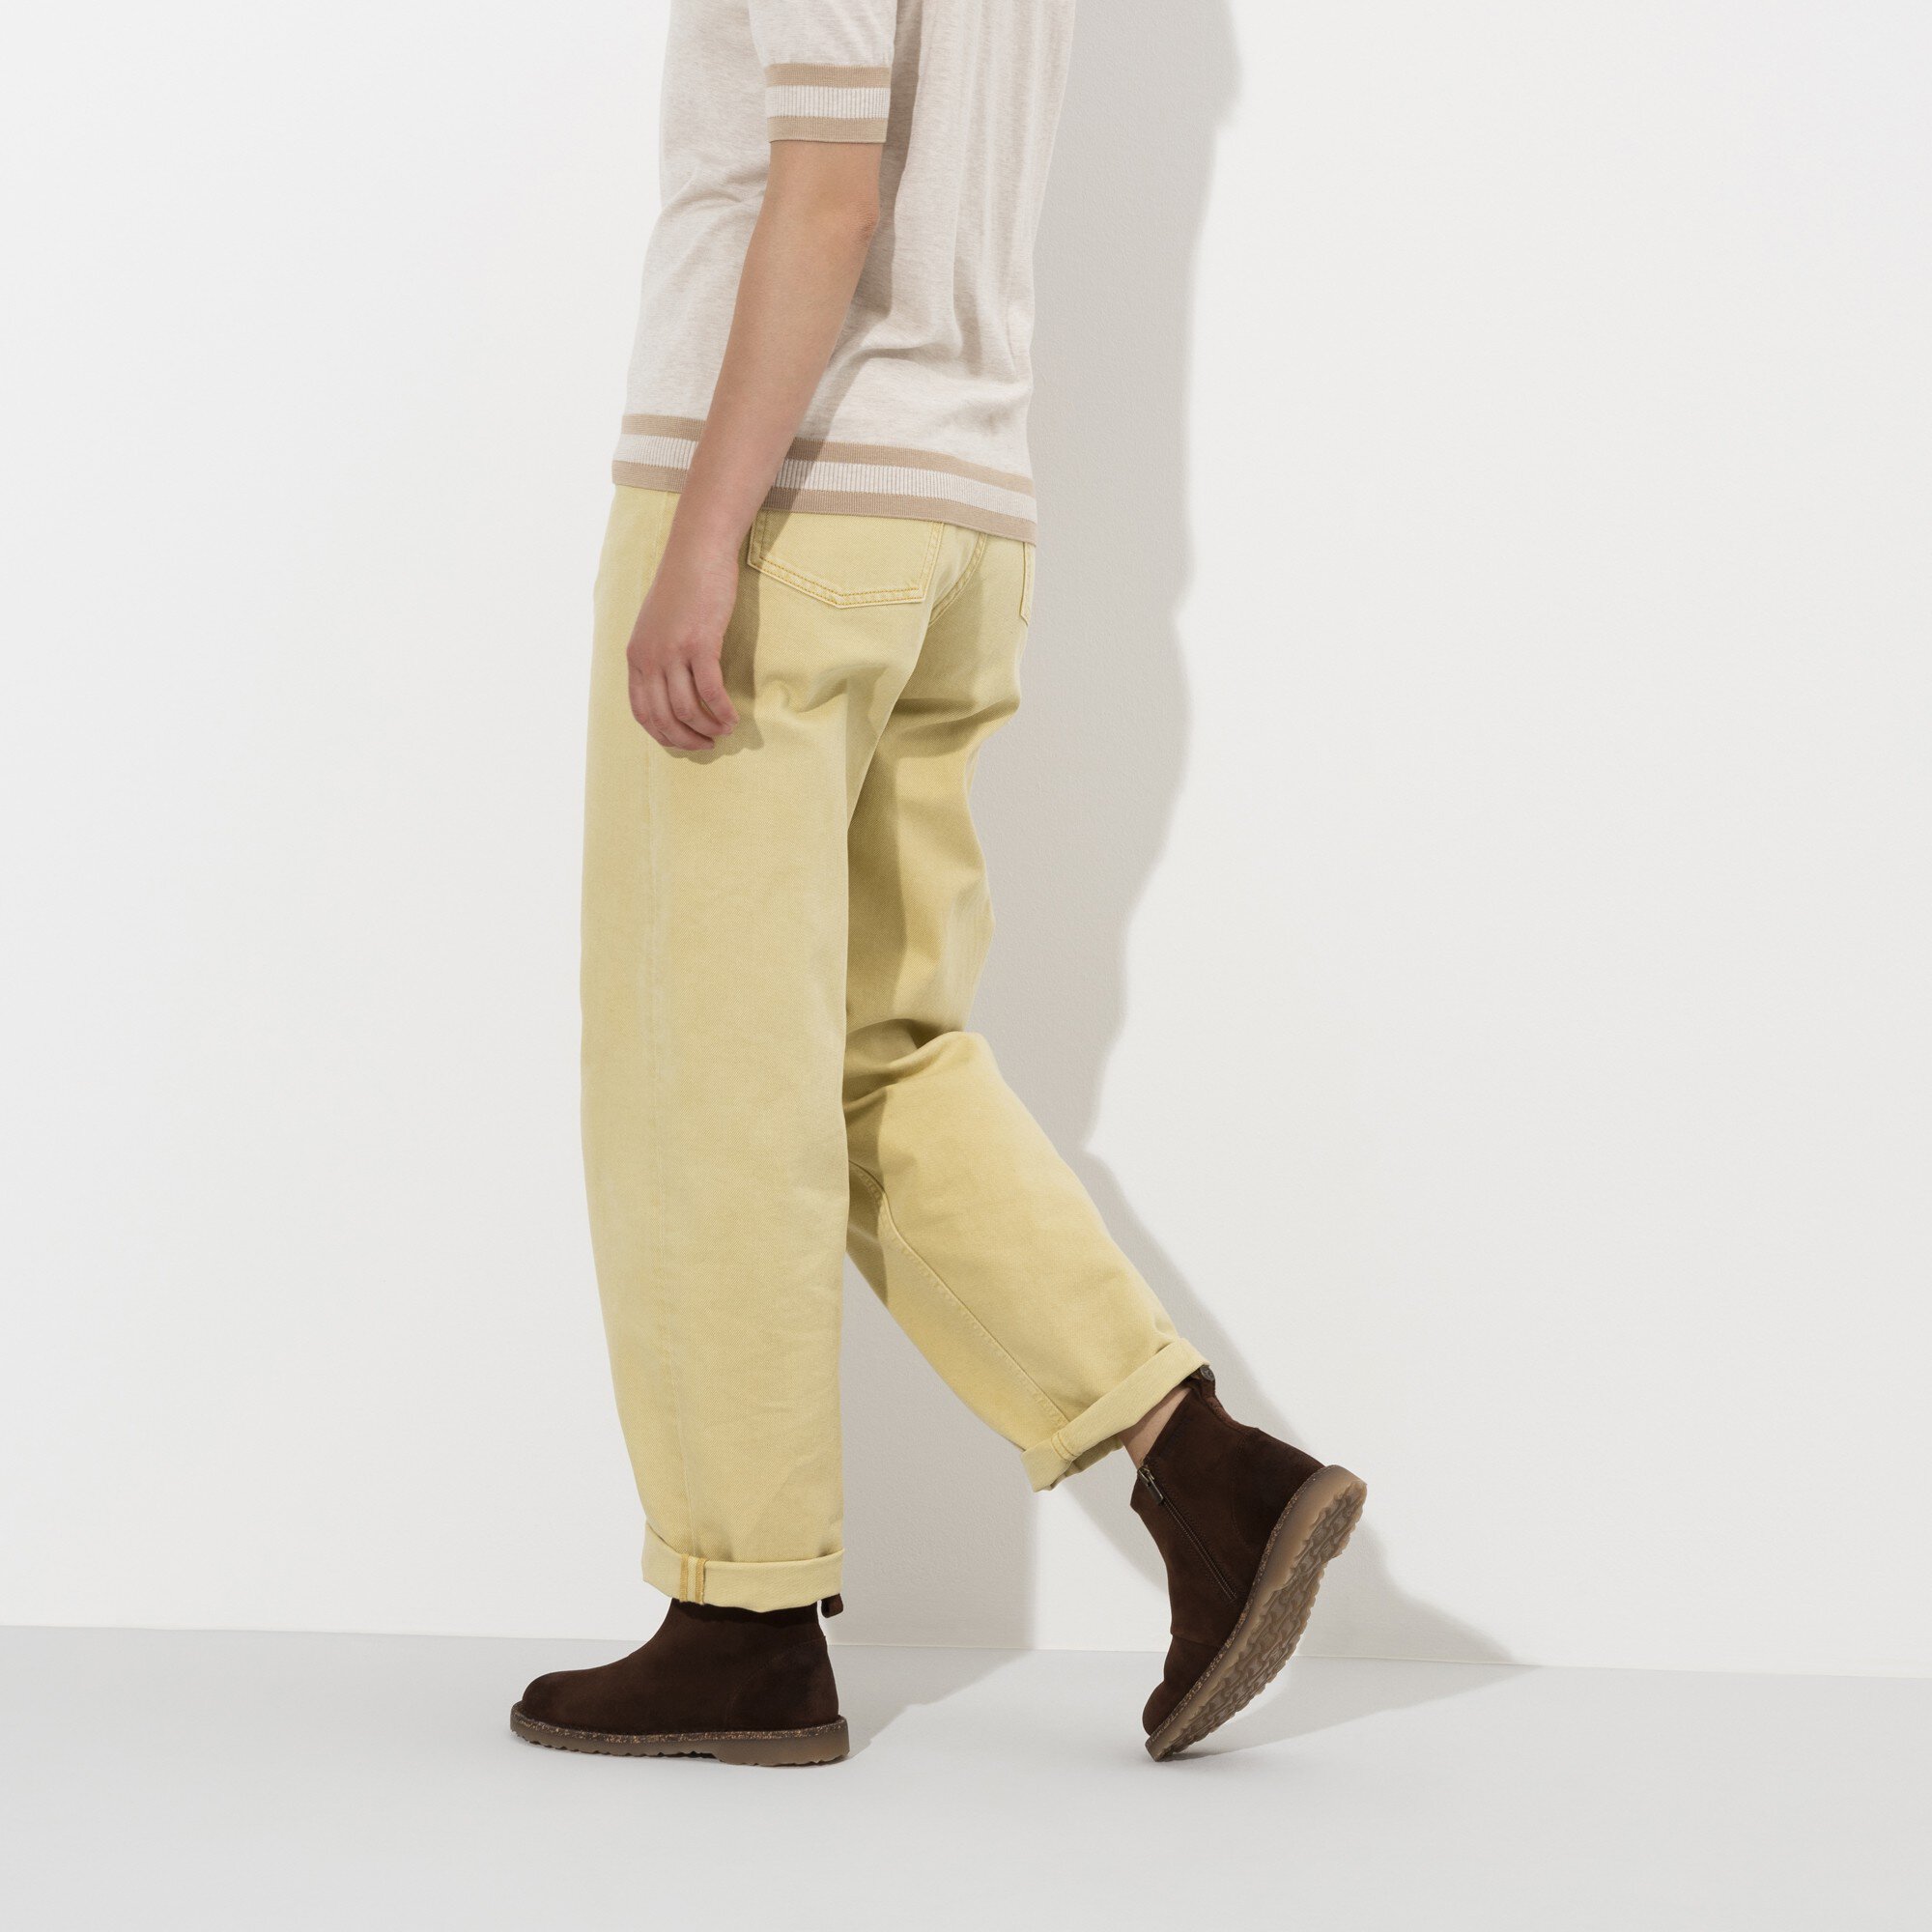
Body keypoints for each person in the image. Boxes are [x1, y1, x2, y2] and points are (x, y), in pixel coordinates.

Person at [511, 0, 1364, 1767]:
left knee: (706, 1079)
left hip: (785, 513)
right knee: (876, 1053)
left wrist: (703, 540)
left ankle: (741, 1621)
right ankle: (1205, 1472)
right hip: (962, 510)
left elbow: (827, 193)